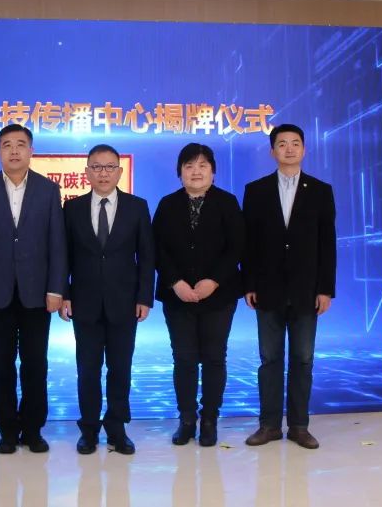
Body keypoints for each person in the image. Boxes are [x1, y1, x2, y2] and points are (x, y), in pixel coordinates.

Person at [0, 123, 68, 454]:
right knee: (2, 366)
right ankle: (8, 431)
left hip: (38, 294)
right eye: (7, 145)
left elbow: (57, 244)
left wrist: (56, 289)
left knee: (36, 364)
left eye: (20, 144)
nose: (14, 150)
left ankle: (34, 429)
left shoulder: (48, 190)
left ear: (31, 151)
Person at [242, 123, 336, 450]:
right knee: (269, 359)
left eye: (295, 143)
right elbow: (248, 243)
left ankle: (299, 426)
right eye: (282, 144)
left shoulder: (321, 190)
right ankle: (268, 425)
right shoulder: (256, 190)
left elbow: (327, 244)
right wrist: (249, 283)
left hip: (306, 290)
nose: (289, 149)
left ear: (304, 149)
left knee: (303, 358)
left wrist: (325, 289)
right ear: (273, 151)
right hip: (266, 289)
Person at [59, 144, 155, 455]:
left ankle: (117, 428)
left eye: (110, 167)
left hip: (124, 303)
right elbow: (63, 256)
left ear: (119, 171)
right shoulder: (72, 208)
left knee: (120, 368)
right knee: (87, 369)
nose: (103, 173)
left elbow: (147, 256)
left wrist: (145, 297)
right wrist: (64, 294)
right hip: (84, 302)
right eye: (97, 167)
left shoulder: (137, 207)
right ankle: (88, 429)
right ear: (87, 172)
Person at [152, 143, 245, 447]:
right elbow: (156, 248)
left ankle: (209, 419)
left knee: (215, 357)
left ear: (213, 172)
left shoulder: (227, 202)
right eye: (189, 165)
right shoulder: (167, 204)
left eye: (203, 165)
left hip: (218, 296)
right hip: (178, 296)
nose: (196, 171)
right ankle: (187, 419)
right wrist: (175, 282)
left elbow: (237, 247)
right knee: (184, 358)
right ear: (179, 172)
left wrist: (214, 280)